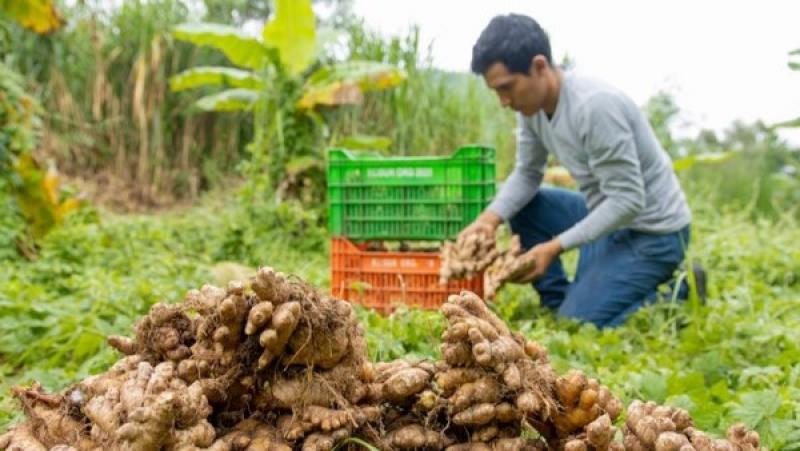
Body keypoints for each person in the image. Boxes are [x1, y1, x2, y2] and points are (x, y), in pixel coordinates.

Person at [462, 13, 697, 328]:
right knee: (524, 206)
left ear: (540, 66)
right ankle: (561, 301)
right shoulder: (530, 108)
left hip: (653, 232)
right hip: (606, 214)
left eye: (508, 88)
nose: (504, 101)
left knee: (579, 324)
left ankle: (681, 289)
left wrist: (554, 247)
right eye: (497, 92)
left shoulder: (595, 107)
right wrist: (488, 220)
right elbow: (527, 173)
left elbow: (628, 200)